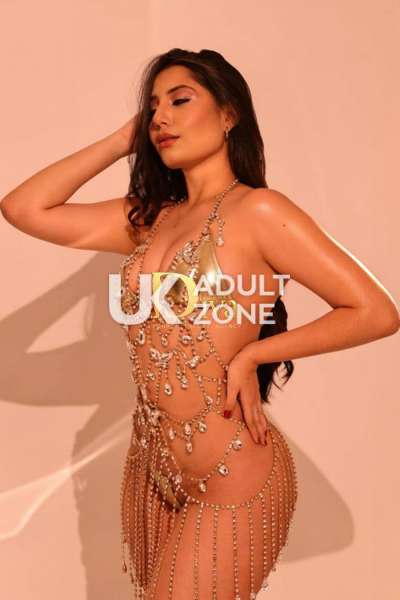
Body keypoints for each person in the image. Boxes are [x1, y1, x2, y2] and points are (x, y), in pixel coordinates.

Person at [1, 48, 398, 600]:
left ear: (229, 114)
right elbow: (24, 208)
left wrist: (255, 353)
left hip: (232, 471)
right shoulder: (149, 218)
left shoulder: (259, 211)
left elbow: (375, 311)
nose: (161, 117)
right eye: (152, 108)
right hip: (153, 472)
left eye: (180, 100)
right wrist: (123, 141)